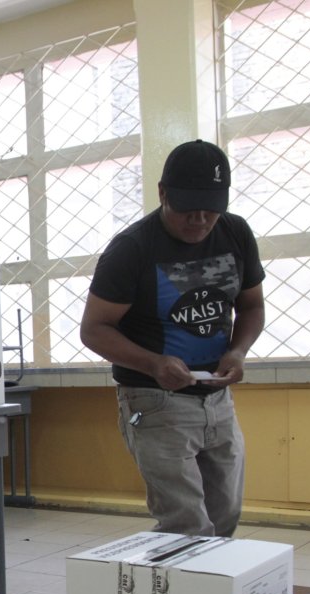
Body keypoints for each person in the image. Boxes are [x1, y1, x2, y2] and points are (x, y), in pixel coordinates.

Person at [79, 139, 265, 537]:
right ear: (163, 193)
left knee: (226, 515)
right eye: (187, 209)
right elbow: (94, 329)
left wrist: (238, 351)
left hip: (217, 399)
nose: (199, 220)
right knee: (187, 525)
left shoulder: (235, 233)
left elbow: (251, 307)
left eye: (210, 209)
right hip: (155, 402)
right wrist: (153, 364)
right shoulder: (131, 249)